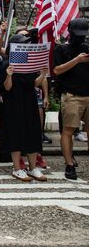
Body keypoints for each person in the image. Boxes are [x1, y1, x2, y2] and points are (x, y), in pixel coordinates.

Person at [1, 34, 47, 182]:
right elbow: (7, 88)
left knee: (33, 131)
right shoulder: (6, 63)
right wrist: (9, 75)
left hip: (29, 100)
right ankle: (17, 168)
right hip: (14, 102)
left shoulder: (29, 62)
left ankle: (33, 167)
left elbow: (35, 83)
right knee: (16, 132)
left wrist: (43, 73)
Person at [53, 18, 89, 180]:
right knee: (68, 130)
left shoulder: (87, 47)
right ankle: (69, 164)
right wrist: (76, 60)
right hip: (72, 95)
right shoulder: (61, 49)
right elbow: (57, 70)